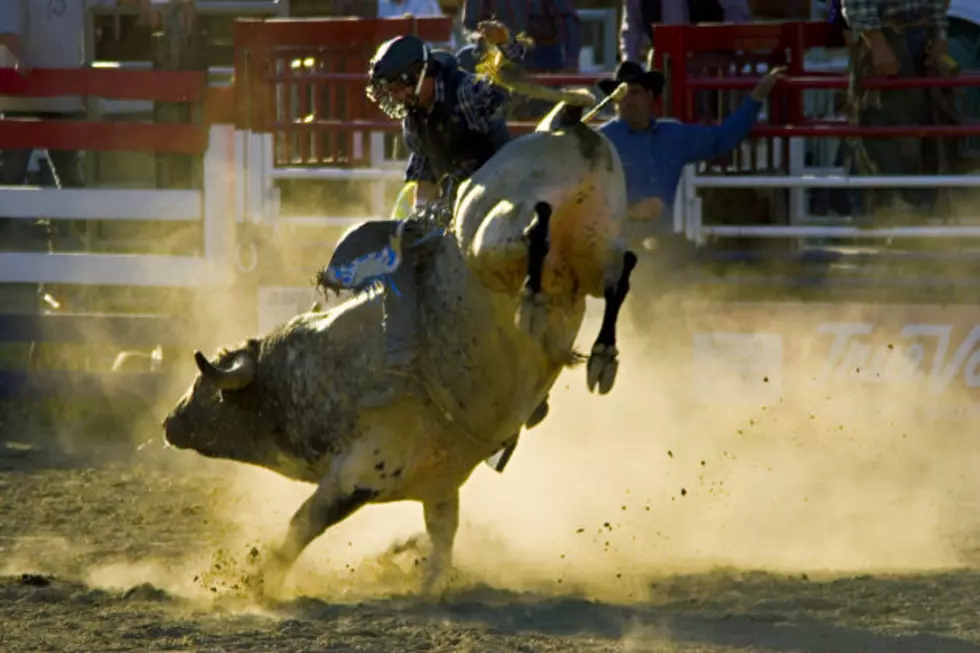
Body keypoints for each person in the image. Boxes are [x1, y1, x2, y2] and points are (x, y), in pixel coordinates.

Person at [596, 60, 784, 244]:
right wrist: (632, 211)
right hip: (614, 247)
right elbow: (581, 200)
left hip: (660, 246)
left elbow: (722, 138)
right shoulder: (600, 142)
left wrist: (758, 96)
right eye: (621, 95)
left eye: (634, 92)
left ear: (649, 96)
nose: (628, 100)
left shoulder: (673, 135)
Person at [841, 0, 954, 223]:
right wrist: (877, 41)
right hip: (887, 36)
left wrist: (939, 36)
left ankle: (919, 217)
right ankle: (891, 216)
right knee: (886, 134)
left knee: (926, 132)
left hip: (918, 35)